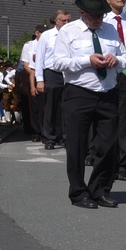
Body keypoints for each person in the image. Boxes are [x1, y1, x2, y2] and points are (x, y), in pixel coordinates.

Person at [53, 0, 126, 209]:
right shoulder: (68, 32)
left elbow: (125, 57)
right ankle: (78, 193)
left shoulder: (110, 30)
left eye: (100, 15)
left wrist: (116, 60)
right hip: (79, 93)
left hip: (107, 93)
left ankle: (100, 190)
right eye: (93, 16)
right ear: (82, 12)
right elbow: (58, 62)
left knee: (108, 145)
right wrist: (87, 61)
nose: (97, 20)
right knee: (77, 146)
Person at [101, 0, 126, 181]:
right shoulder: (103, 21)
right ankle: (108, 162)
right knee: (108, 118)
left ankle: (122, 164)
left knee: (125, 121)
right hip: (108, 72)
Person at [36, 9, 71, 149]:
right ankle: (49, 137)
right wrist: (39, 79)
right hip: (51, 72)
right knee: (51, 105)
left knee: (66, 106)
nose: (66, 23)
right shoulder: (47, 36)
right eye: (64, 21)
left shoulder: (71, 34)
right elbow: (40, 58)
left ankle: (64, 136)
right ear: (56, 21)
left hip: (66, 72)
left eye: (68, 20)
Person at [24, 24, 47, 141]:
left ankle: (45, 132)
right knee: (35, 108)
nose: (43, 34)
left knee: (45, 108)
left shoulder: (47, 43)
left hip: (47, 77)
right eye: (41, 32)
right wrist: (34, 83)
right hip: (35, 77)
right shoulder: (29, 45)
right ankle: (36, 131)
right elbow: (27, 66)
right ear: (36, 33)